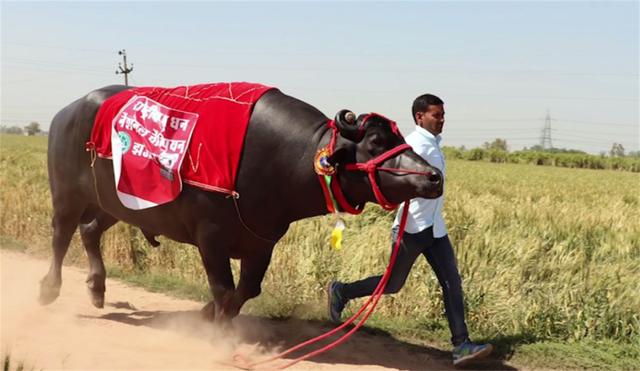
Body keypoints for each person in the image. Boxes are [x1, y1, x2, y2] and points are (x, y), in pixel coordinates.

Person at [327, 94, 493, 367]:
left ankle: (461, 345)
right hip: (412, 227)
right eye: (436, 115)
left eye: (442, 115)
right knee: (392, 284)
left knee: (452, 282)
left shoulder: (433, 144)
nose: (442, 120)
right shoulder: (414, 145)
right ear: (420, 117)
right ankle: (342, 291)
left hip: (435, 229)